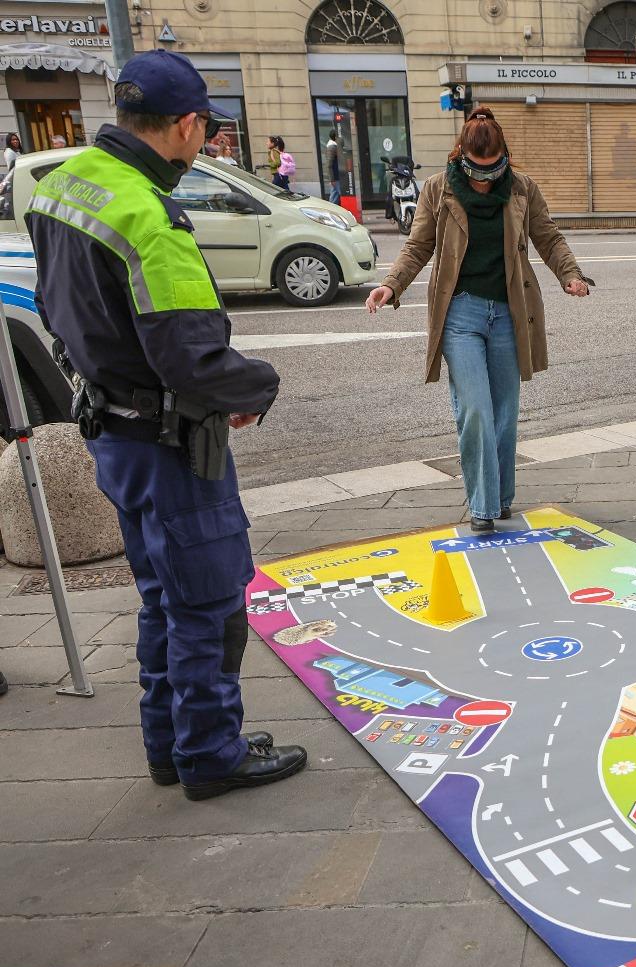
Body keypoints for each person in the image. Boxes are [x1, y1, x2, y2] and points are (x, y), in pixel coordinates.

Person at [25, 50, 306, 800]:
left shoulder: (62, 187)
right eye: (204, 131)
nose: (204, 143)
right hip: (172, 445)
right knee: (209, 606)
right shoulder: (149, 213)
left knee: (163, 598)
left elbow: (55, 310)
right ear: (184, 125)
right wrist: (261, 385)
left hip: (114, 436)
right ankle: (211, 754)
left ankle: (168, 744)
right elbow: (191, 356)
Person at [366, 108, 590, 534]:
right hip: (460, 312)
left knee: (504, 411)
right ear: (461, 156)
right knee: (475, 409)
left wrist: (570, 275)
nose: (485, 178)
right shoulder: (437, 189)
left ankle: (501, 498)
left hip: (509, 311)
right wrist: (391, 286)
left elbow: (548, 236)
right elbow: (418, 247)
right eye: (476, 169)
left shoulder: (523, 188)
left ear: (505, 155)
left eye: (495, 168)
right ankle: (483, 506)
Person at [325, 132, 341, 201]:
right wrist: (332, 179)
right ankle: (331, 210)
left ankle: (332, 209)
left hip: (336, 175)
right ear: (335, 137)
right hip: (335, 176)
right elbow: (329, 164)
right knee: (337, 194)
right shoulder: (332, 147)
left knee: (335, 194)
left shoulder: (333, 146)